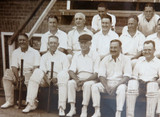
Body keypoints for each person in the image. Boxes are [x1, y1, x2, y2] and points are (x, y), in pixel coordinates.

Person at [22, 35, 70, 116]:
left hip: (58, 79)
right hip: (46, 78)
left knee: (63, 75)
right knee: (37, 72)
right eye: (51, 43)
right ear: (48, 44)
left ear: (58, 44)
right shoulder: (44, 56)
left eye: (55, 43)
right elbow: (42, 70)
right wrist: (47, 79)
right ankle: (30, 103)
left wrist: (56, 79)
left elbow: (66, 70)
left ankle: (61, 107)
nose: (53, 45)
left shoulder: (63, 56)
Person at [91, 39, 132, 117]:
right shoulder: (105, 59)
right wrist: (106, 87)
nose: (113, 50)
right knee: (94, 87)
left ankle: (118, 112)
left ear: (120, 48)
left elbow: (127, 76)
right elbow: (101, 75)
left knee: (122, 89)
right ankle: (97, 111)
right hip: (108, 83)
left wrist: (115, 86)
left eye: (115, 47)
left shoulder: (126, 59)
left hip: (120, 83)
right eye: (111, 47)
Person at [1, 33, 40, 108]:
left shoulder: (35, 52)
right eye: (20, 40)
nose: (22, 42)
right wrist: (18, 77)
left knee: (31, 78)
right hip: (19, 72)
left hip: (30, 72)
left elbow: (36, 67)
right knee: (7, 74)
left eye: (24, 40)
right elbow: (14, 67)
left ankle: (32, 102)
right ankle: (9, 101)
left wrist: (29, 75)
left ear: (28, 41)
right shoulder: (15, 52)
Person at [66, 34, 100, 117]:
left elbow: (96, 74)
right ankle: (72, 108)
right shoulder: (76, 55)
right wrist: (77, 80)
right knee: (70, 83)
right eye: (81, 43)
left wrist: (84, 81)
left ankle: (84, 109)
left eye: (85, 43)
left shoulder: (95, 55)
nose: (83, 45)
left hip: (91, 79)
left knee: (87, 85)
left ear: (90, 44)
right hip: (79, 78)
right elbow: (71, 71)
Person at [126, 40, 160, 117]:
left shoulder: (158, 62)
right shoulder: (139, 61)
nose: (147, 52)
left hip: (152, 87)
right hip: (139, 86)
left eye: (149, 50)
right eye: (145, 50)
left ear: (154, 50)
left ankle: (150, 115)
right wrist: (138, 80)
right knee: (132, 83)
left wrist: (154, 81)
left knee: (152, 85)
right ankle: (129, 115)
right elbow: (134, 76)